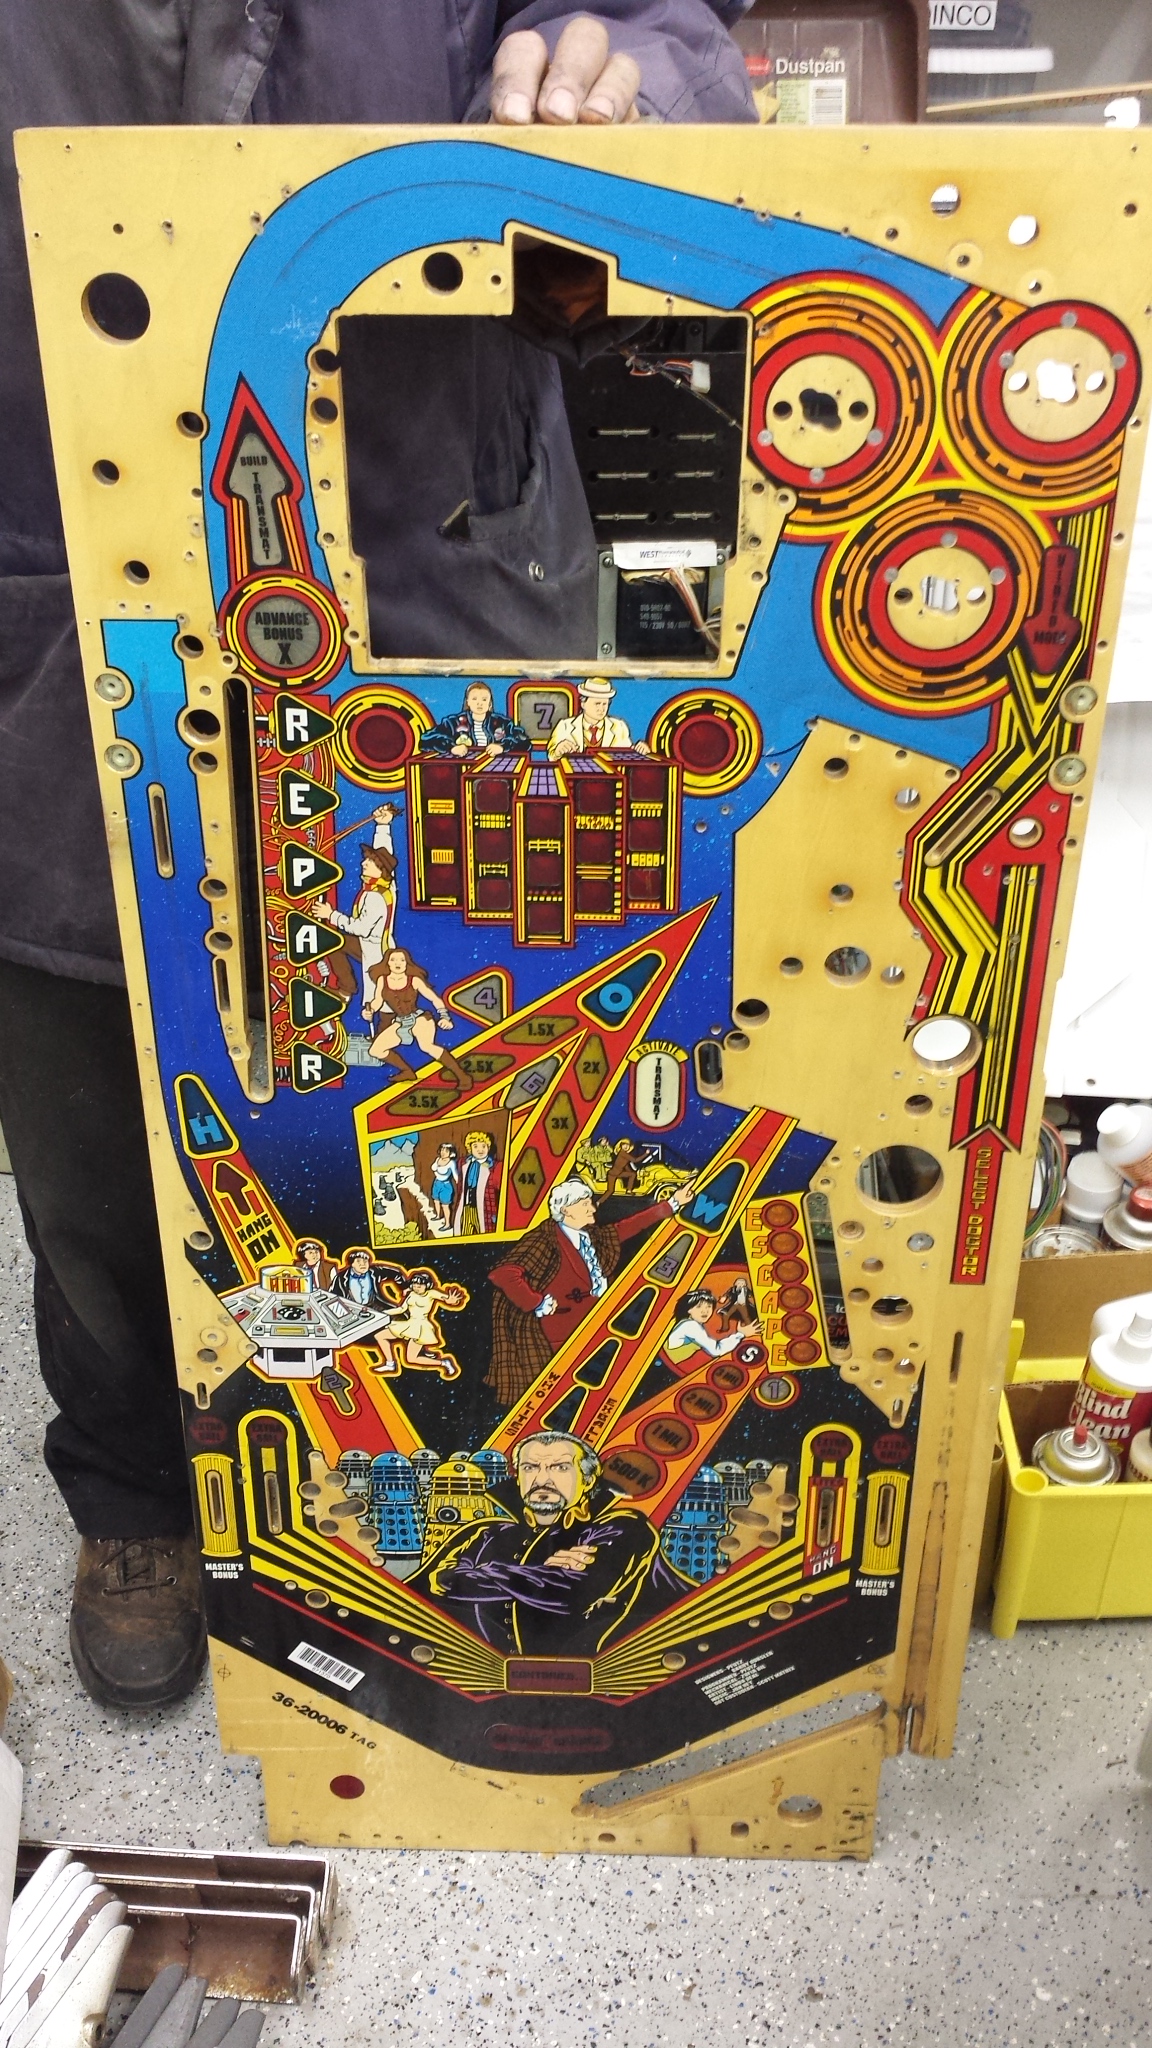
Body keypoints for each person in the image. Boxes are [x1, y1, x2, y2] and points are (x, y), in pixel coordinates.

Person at [0, 5, 756, 1710]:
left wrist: (621, 61)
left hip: (436, 545)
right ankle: (134, 1494)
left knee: (462, 1080)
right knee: (83, 1098)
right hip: (60, 539)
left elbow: (668, 35)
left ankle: (431, 1478)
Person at [412, 1429, 689, 1654]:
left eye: (559, 1468)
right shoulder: (489, 1533)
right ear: (518, 1477)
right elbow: (441, 1582)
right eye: (530, 1467)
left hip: (597, 1681)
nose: (542, 1479)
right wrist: (542, 1572)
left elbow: (569, 1593)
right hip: (483, 1679)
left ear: (588, 1479)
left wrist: (480, 1572)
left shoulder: (624, 1527)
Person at [487, 1174, 694, 1407]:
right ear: (566, 1209)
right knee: (559, 1395)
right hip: (559, 1335)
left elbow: (629, 1226)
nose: (592, 1208)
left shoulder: (594, 1236)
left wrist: (672, 1203)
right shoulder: (544, 1239)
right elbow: (502, 1273)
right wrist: (536, 1302)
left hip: (597, 1327)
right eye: (585, 1204)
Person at [310, 805, 400, 1020]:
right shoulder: (385, 885)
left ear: (380, 870)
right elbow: (385, 854)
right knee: (334, 942)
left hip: (375, 951)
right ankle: (346, 990)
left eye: (369, 861)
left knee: (381, 1003)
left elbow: (361, 928)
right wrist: (383, 826)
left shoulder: (375, 896)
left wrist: (331, 915)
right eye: (366, 859)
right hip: (374, 945)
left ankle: (346, 992)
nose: (363, 863)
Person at [366, 946, 469, 1089]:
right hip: (401, 1022)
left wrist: (445, 1017)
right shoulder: (382, 980)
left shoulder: (414, 980)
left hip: (419, 1019)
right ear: (387, 963)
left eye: (402, 960)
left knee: (426, 1046)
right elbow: (378, 1001)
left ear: (407, 963)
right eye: (393, 960)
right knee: (375, 1050)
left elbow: (434, 999)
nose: (397, 963)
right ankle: (407, 1071)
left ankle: (463, 1077)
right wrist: (370, 1010)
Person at [419, 682, 531, 759]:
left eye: (484, 699)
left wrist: (502, 747)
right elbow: (426, 739)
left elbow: (525, 742)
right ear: (467, 702)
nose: (479, 703)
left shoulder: (502, 722)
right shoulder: (454, 722)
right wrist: (451, 747)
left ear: (490, 703)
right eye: (474, 699)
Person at [664, 1285, 759, 1374]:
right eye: (699, 1307)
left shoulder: (686, 1323)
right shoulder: (691, 1326)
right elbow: (716, 1350)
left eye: (709, 1307)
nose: (705, 1311)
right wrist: (741, 1334)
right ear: (688, 1309)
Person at [547, 677, 649, 759]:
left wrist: (640, 750)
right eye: (597, 704)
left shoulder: (619, 726)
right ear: (583, 703)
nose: (601, 709)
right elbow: (551, 756)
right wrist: (558, 750)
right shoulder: (565, 726)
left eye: (605, 704)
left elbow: (627, 754)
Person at [452, 1130, 503, 1237]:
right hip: (466, 1209)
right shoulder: (463, 1163)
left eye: (483, 1146)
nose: (480, 1150)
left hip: (485, 1210)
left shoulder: (495, 1166)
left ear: (488, 1147)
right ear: (470, 1149)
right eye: (476, 1146)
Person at [428, 1143, 460, 1230]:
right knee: (436, 1200)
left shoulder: (451, 1163)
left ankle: (447, 1224)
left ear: (451, 1153)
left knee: (445, 1206)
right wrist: (437, 1165)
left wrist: (458, 1182)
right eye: (442, 1150)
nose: (443, 1152)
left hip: (446, 1186)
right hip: (436, 1183)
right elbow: (433, 1168)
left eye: (446, 1151)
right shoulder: (438, 1159)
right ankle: (438, 1215)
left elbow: (455, 1174)